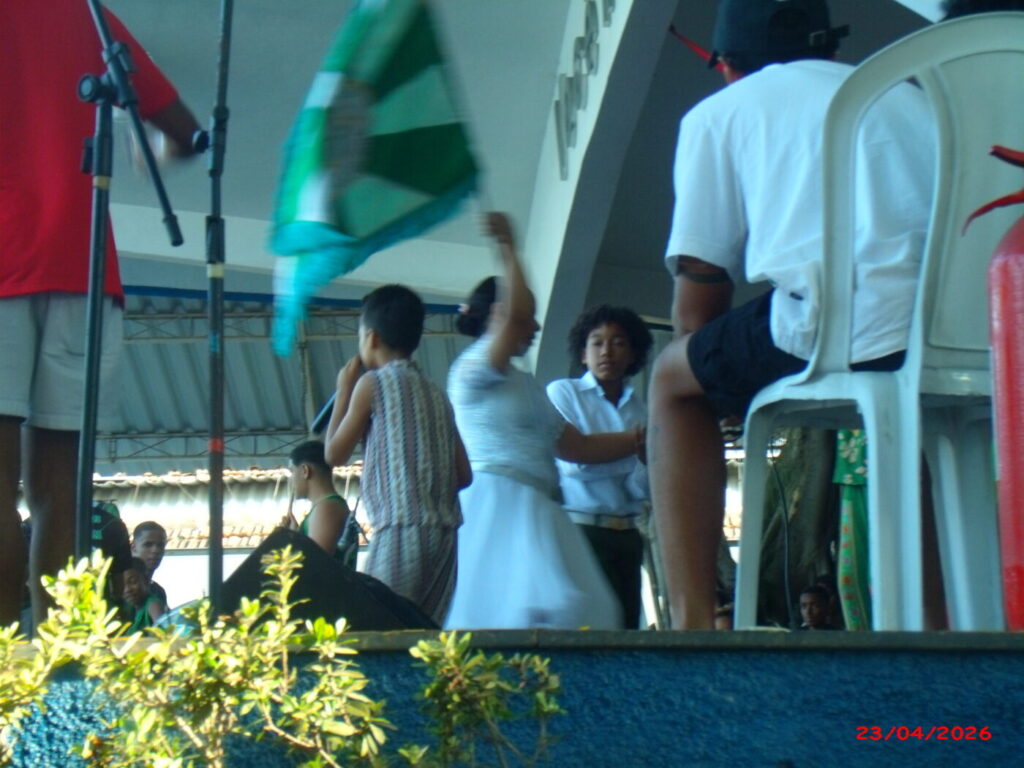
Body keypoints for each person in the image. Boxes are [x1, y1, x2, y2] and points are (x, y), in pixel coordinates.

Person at [648, 0, 935, 629]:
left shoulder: (719, 114)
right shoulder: (907, 94)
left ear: (726, 66)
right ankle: (941, 628)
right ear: (829, 48)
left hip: (847, 331)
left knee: (672, 380)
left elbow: (698, 309)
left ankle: (693, 626)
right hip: (953, 334)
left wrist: (721, 386)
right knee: (910, 429)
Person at [1, 1, 201, 627]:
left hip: (4, 263)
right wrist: (147, 155)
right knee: (62, 496)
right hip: (83, 271)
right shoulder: (87, 14)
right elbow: (184, 133)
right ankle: (56, 661)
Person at [444, 213, 645, 630]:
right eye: (529, 316)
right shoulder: (471, 369)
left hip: (539, 509)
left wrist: (642, 437)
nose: (535, 326)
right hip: (497, 503)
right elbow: (518, 316)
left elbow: (578, 447)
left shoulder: (526, 384)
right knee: (510, 615)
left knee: (580, 615)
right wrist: (508, 247)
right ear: (500, 314)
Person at [324, 284, 472, 625]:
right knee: (421, 632)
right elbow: (464, 475)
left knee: (376, 624)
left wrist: (344, 390)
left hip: (400, 527)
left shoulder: (372, 384)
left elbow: (333, 454)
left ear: (371, 338)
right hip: (446, 535)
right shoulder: (437, 394)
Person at [546, 305, 653, 629]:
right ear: (583, 352)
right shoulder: (564, 392)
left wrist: (615, 453)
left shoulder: (640, 409)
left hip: (628, 532)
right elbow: (575, 464)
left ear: (633, 353)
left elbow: (641, 487)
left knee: (627, 626)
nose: (606, 351)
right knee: (590, 627)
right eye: (596, 342)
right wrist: (634, 446)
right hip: (582, 528)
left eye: (618, 342)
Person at [287, 440, 360, 570]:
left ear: (305, 471)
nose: (290, 480)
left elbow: (315, 567)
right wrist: (294, 535)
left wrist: (291, 541)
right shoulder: (329, 506)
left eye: (292, 472)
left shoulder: (327, 508)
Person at [122, 556, 166, 633]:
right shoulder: (130, 609)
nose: (127, 590)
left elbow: (163, 632)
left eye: (133, 582)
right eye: (122, 585)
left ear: (146, 580)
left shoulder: (153, 604)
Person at [131, 521, 169, 609]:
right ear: (133, 548)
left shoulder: (158, 591)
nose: (155, 550)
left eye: (160, 545)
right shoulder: (121, 588)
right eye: (148, 545)